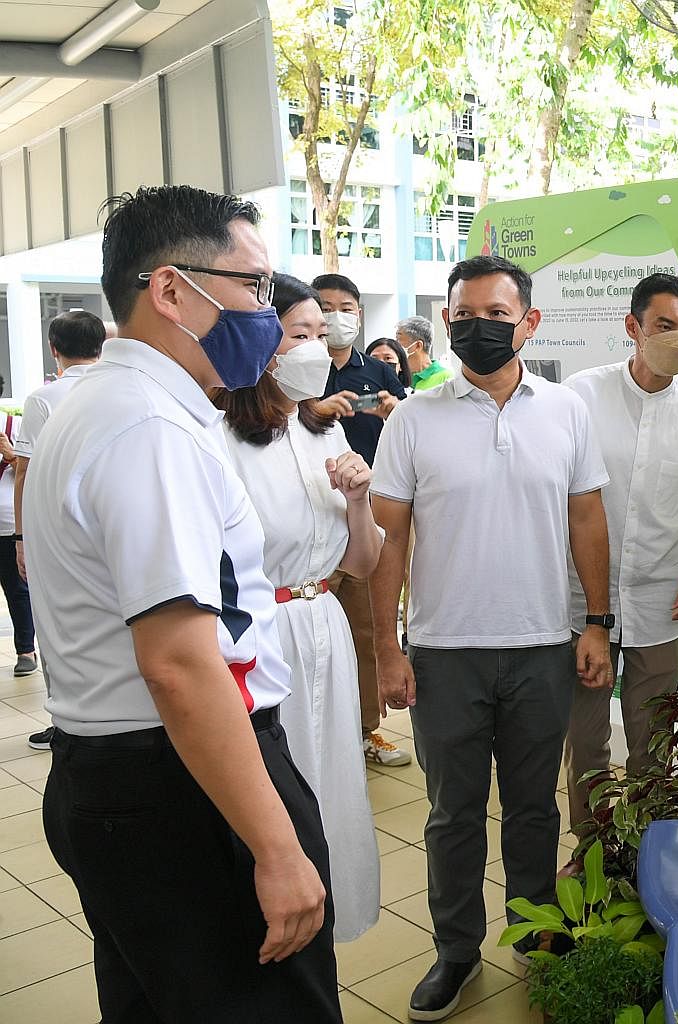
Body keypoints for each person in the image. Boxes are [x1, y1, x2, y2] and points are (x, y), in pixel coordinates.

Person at [25, 184, 339, 1021]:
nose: (267, 313)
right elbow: (176, 663)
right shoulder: (147, 431)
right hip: (183, 790)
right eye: (254, 286)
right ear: (170, 290)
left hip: (124, 780)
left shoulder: (108, 406)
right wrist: (274, 847)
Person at [369, 255, 614, 1021]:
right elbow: (389, 545)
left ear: (528, 323)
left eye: (496, 316)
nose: (477, 328)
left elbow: (586, 522)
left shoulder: (567, 412)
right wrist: (387, 647)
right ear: (446, 322)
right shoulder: (413, 419)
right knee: (452, 813)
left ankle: (536, 932)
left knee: (535, 807)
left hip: (542, 645)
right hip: (445, 653)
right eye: (462, 316)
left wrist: (597, 624)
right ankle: (454, 951)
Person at [213, 273, 383, 943]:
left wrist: (361, 499)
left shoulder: (324, 430)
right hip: (263, 635)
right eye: (298, 334)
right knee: (282, 782)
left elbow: (364, 564)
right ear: (260, 343)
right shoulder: (220, 437)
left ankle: (332, 916)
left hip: (324, 626)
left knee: (334, 779)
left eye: (322, 333)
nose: (315, 347)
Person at [562, 274, 678, 830]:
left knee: (653, 742)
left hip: (663, 602)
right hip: (582, 601)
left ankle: (643, 851)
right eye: (665, 326)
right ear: (633, 327)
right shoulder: (581, 396)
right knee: (585, 742)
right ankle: (590, 848)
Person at [313, 273, 412, 769]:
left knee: (368, 627)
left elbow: (411, 424)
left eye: (346, 307)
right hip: (308, 516)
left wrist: (395, 410)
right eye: (324, 306)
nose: (336, 316)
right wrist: (315, 409)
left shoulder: (376, 369)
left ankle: (367, 728)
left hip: (366, 514)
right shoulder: (295, 370)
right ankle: (311, 731)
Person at [15, 309, 106, 749]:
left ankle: (64, 720)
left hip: (56, 531)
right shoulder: (116, 389)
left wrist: (20, 537)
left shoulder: (43, 399)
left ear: (55, 349)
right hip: (103, 525)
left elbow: (26, 471)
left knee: (57, 623)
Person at [0, 414, 36, 681]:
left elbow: (33, 471)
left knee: (17, 591)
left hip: (7, 523)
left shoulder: (16, 426)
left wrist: (11, 455)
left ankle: (25, 651)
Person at [396, 315, 451, 392]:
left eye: (399, 341)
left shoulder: (446, 378)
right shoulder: (397, 378)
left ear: (418, 345)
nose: (395, 347)